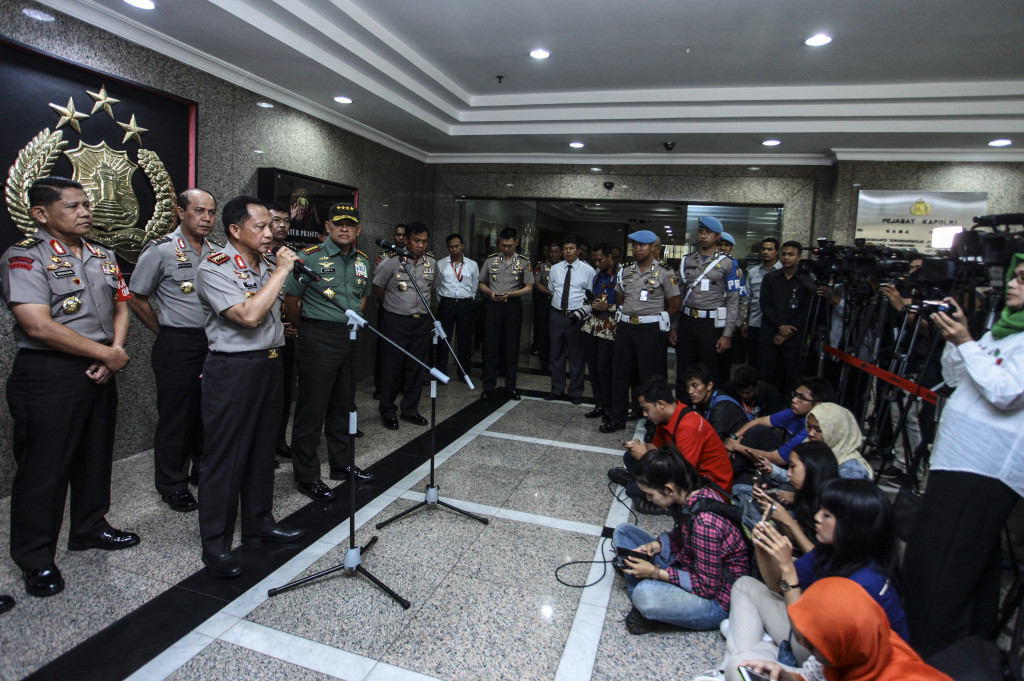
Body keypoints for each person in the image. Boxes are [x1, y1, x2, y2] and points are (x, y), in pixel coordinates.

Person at [1, 176, 139, 598]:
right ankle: (36, 556)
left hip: (102, 365)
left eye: (86, 205)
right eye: (73, 206)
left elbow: (121, 304)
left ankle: (89, 527)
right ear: (42, 213)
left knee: (95, 456)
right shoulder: (25, 257)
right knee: (44, 469)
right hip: (50, 372)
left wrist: (113, 352)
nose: (85, 213)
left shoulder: (102, 253)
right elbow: (36, 324)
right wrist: (102, 355)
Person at [902, 256, 1024, 658]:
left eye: (1023, 279)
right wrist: (961, 338)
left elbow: (1005, 392)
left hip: (985, 468)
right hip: (956, 460)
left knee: (940, 569)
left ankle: (929, 654)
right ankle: (968, 652)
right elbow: (956, 377)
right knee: (970, 568)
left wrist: (969, 343)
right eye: (1014, 276)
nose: (1012, 284)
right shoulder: (1002, 329)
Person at [195, 195, 304, 578]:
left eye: (270, 225)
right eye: (259, 226)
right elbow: (248, 315)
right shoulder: (215, 266)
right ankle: (216, 544)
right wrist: (281, 272)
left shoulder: (263, 264)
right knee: (226, 458)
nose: (269, 232)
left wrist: (276, 271)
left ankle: (259, 522)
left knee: (261, 453)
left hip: (270, 367)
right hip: (234, 370)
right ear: (235, 230)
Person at [712, 479, 907, 681]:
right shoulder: (834, 551)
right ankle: (756, 654)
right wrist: (762, 547)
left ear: (852, 524)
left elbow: (805, 638)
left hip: (824, 656)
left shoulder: (864, 584)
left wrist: (787, 567)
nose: (817, 518)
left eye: (827, 515)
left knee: (738, 666)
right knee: (745, 585)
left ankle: (750, 655)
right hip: (816, 655)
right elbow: (776, 585)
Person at [129, 187, 219, 512]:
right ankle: (172, 484)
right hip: (177, 342)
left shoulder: (218, 251)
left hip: (214, 342)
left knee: (207, 414)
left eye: (211, 212)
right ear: (181, 213)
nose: (206, 218)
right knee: (177, 417)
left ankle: (200, 473)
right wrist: (163, 329)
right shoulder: (161, 250)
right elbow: (136, 296)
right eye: (199, 211)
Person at [283, 202, 373, 502]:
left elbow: (361, 300)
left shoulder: (363, 261)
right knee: (312, 409)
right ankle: (307, 475)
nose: (344, 228)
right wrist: (308, 328)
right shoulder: (309, 258)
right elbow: (291, 302)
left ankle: (341, 464)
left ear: (358, 229)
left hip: (350, 339)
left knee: (344, 407)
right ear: (328, 228)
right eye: (338, 224)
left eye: (350, 224)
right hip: (318, 337)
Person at [613, 447, 750, 634]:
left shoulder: (705, 523)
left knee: (644, 594)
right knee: (624, 532)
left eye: (651, 494)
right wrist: (656, 546)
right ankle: (651, 586)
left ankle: (651, 599)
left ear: (669, 489)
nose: (648, 499)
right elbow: (683, 537)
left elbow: (706, 587)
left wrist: (654, 572)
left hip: (716, 601)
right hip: (688, 563)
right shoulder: (690, 495)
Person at [740, 577, 952, 681]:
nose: (804, 644)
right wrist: (786, 677)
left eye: (814, 646)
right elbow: (812, 676)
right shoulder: (855, 650)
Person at [609, 378, 734, 513]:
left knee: (635, 489)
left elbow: (682, 474)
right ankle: (644, 491)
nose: (645, 415)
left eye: (646, 409)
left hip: (706, 486)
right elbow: (657, 447)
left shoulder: (689, 427)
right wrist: (641, 447)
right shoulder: (666, 417)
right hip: (680, 470)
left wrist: (644, 456)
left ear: (661, 405)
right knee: (629, 456)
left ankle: (640, 489)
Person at [602, 229, 680, 433]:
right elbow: (619, 297)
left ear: (653, 247)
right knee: (620, 374)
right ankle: (617, 418)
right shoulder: (626, 271)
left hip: (650, 329)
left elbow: (674, 304)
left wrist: (658, 320)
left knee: (651, 377)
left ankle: (653, 424)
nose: (637, 249)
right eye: (634, 245)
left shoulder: (665, 272)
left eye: (642, 245)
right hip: (627, 327)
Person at [373, 221, 436, 429]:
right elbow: (378, 288)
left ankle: (410, 409)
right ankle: (388, 409)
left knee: (416, 368)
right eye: (416, 241)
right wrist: (394, 306)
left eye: (424, 241)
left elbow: (431, 290)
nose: (421, 245)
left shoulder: (431, 263)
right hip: (396, 321)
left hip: (421, 322)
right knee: (392, 368)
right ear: (406, 240)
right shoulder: (391, 262)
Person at [672, 216, 740, 392]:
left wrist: (727, 334)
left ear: (718, 236)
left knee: (709, 371)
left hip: (711, 325)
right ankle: (684, 410)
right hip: (687, 321)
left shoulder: (728, 263)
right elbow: (678, 296)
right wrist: (674, 326)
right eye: (701, 232)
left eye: (708, 232)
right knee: (683, 369)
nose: (703, 236)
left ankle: (708, 413)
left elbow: (733, 301)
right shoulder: (687, 260)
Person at [724, 377, 835, 473]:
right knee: (757, 430)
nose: (794, 400)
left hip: (795, 469)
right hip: (784, 455)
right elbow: (756, 421)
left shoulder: (811, 431)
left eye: (801, 398)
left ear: (818, 404)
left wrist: (736, 446)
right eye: (795, 395)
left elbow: (776, 458)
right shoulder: (794, 413)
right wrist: (733, 438)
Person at [752, 441, 840, 556]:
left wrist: (787, 519)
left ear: (811, 467)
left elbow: (817, 558)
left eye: (793, 467)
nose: (788, 473)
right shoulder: (806, 496)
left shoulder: (833, 502)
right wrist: (772, 511)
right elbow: (794, 537)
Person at [478, 227, 534, 400]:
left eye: (510, 245)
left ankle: (511, 386)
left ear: (516, 243)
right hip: (494, 305)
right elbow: (481, 283)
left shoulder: (524, 262)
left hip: (513, 305)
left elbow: (529, 288)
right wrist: (491, 293)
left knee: (511, 345)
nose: (506, 248)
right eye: (503, 245)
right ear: (499, 243)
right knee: (491, 345)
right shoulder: (491, 260)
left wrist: (510, 294)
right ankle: (488, 386)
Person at [759, 241, 814, 395]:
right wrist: (780, 327)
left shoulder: (807, 281)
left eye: (791, 254)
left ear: (799, 257)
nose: (786, 257)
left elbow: (806, 309)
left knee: (791, 376)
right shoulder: (770, 278)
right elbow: (765, 304)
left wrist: (787, 331)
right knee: (767, 375)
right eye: (784, 254)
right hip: (770, 333)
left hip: (794, 336)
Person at [265, 202, 299, 461]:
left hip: (288, 336)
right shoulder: (255, 254)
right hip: (258, 337)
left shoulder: (292, 255)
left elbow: (297, 295)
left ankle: (277, 440)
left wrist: (295, 324)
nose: (282, 225)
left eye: (286, 220)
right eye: (276, 220)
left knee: (283, 393)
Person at [546, 236, 595, 403]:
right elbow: (552, 289)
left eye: (571, 248)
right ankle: (557, 389)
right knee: (556, 355)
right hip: (557, 314)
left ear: (578, 251)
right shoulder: (555, 269)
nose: (568, 251)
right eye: (565, 248)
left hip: (577, 317)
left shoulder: (588, 270)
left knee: (576, 356)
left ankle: (575, 392)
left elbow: (591, 295)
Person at [581, 242, 618, 421]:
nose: (597, 263)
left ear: (609, 257)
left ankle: (610, 406)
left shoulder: (621, 276)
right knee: (594, 367)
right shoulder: (597, 277)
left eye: (599, 260)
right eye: (594, 260)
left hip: (610, 326)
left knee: (604, 368)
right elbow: (597, 297)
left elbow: (627, 306)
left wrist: (607, 306)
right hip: (593, 324)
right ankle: (599, 403)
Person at [434, 233, 478, 381]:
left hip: (465, 304)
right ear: (448, 247)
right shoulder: (440, 264)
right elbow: (437, 287)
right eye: (451, 246)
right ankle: (441, 371)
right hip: (447, 303)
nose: (454, 249)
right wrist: (445, 300)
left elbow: (474, 287)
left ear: (462, 246)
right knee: (443, 338)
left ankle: (464, 373)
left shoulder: (472, 265)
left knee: (464, 339)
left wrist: (466, 299)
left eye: (457, 246)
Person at [373, 223, 408, 400]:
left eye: (403, 235)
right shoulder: (385, 256)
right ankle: (380, 385)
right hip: (387, 308)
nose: (400, 238)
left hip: (407, 312)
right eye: (397, 235)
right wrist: (391, 304)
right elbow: (378, 285)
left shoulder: (420, 258)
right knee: (385, 348)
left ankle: (401, 383)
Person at [682, 363, 750, 443]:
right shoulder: (701, 402)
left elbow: (716, 442)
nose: (690, 391)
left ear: (709, 386)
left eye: (695, 385)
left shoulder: (721, 407)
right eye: (688, 387)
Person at [805, 403, 872, 479]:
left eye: (818, 430)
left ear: (836, 433)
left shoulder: (851, 472)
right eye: (808, 427)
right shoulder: (808, 448)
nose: (811, 433)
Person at [746, 238, 782, 369]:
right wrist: (745, 321)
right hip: (755, 323)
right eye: (763, 249)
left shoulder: (783, 271)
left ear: (777, 252)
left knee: (772, 363)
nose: (766, 252)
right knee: (753, 361)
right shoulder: (753, 272)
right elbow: (748, 299)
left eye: (770, 249)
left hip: (775, 325)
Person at [532, 242, 561, 373]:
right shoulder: (541, 265)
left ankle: (556, 360)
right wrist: (550, 293)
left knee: (556, 333)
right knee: (543, 333)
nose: (553, 255)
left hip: (560, 303)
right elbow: (536, 283)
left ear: (560, 253)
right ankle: (544, 362)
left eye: (556, 252)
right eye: (551, 252)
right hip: (545, 302)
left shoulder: (564, 266)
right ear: (547, 253)